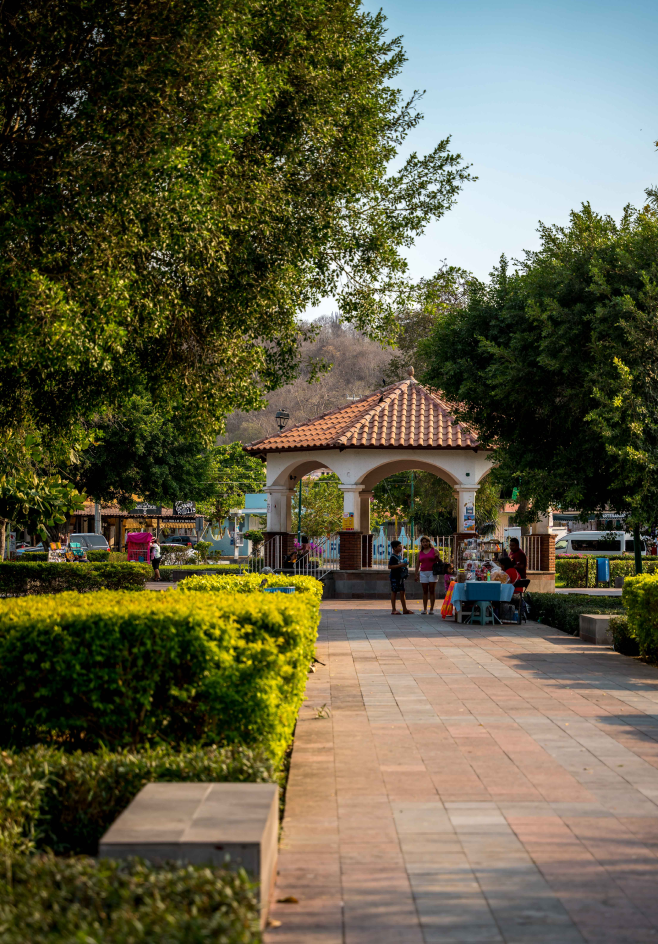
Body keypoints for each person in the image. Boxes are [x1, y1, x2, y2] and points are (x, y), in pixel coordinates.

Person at [414, 536, 439, 615]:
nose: (425, 543)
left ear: (429, 542)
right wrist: (416, 574)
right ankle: (425, 609)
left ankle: (431, 609)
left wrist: (437, 556)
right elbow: (418, 563)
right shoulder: (420, 553)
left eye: (426, 542)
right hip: (423, 572)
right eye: (423, 542)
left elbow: (439, 561)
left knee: (432, 590)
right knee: (425, 591)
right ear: (421, 543)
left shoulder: (434, 550)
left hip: (432, 572)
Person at [389, 540, 414, 615]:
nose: (401, 547)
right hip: (394, 577)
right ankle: (393, 609)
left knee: (402, 592)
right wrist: (401, 565)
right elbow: (390, 566)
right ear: (395, 548)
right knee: (394, 592)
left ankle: (405, 609)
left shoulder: (399, 556)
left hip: (400, 577)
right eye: (399, 546)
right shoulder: (393, 557)